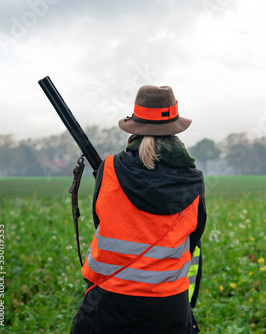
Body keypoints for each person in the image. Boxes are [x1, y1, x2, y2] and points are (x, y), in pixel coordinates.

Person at [71, 85, 207, 334]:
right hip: (170, 308)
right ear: (175, 131)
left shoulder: (109, 169)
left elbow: (100, 222)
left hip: (107, 303)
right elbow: (193, 238)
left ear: (135, 127)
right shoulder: (193, 180)